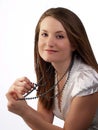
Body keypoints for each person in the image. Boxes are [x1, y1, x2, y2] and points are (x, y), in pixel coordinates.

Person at [6, 7, 98, 130]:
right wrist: (18, 99)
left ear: (74, 43)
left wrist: (25, 111)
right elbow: (43, 122)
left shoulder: (87, 80)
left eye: (59, 36)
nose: (49, 42)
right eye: (44, 34)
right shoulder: (50, 72)